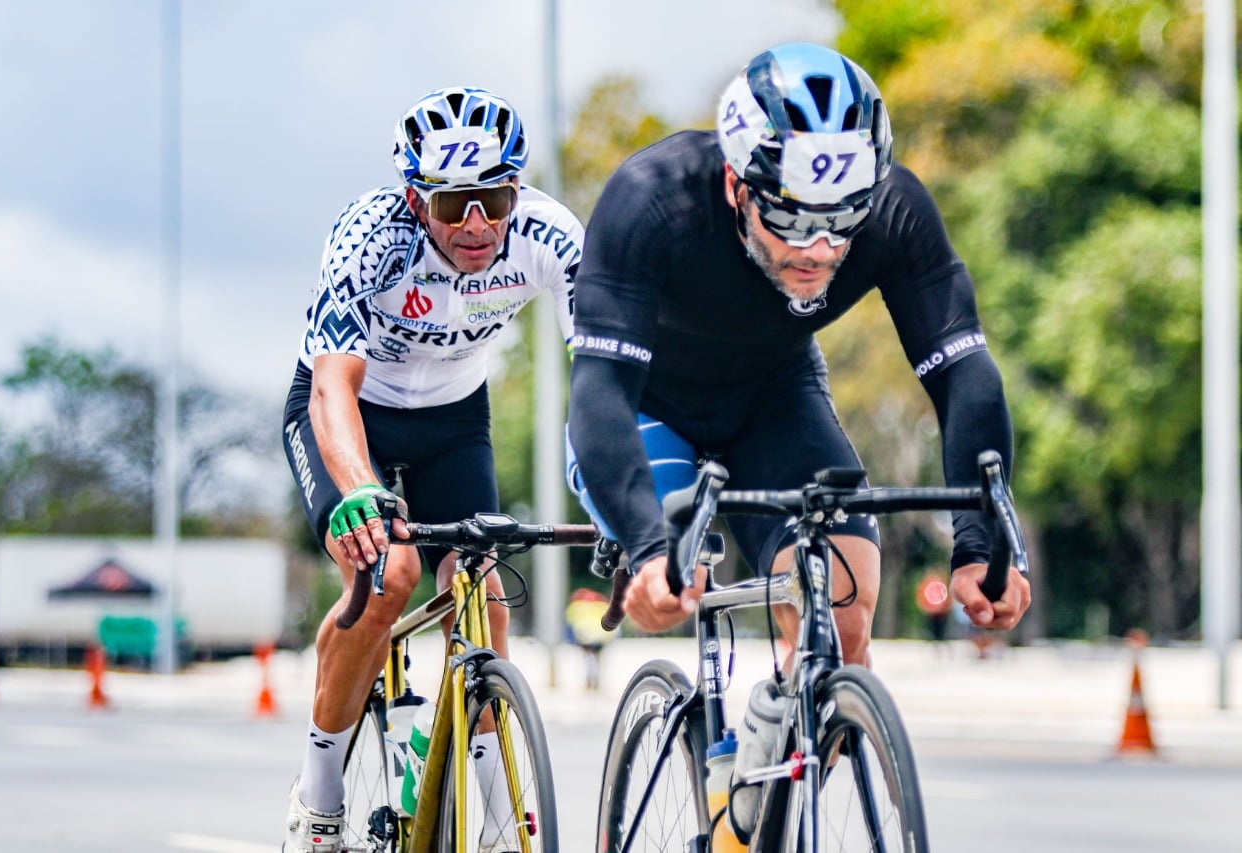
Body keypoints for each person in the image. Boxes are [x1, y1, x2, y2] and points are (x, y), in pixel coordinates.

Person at [565, 43, 1031, 672]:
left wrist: (979, 543)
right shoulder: (651, 199)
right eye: (789, 217)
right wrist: (648, 547)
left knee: (840, 626)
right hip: (648, 407)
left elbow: (963, 376)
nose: (817, 246)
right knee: (676, 579)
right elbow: (601, 391)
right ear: (736, 185)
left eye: (843, 218)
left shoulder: (896, 211)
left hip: (773, 402)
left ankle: (781, 751)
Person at [280, 86, 582, 853]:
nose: (478, 224)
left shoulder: (549, 234)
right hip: (351, 411)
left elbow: (606, 372)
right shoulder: (369, 236)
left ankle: (500, 821)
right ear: (417, 202)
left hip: (454, 417)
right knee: (390, 575)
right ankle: (318, 797)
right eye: (454, 205)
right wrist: (361, 491)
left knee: (479, 589)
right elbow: (331, 387)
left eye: (495, 197)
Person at [564, 587, 614, 690]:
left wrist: (571, 639)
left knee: (587, 659)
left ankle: (589, 682)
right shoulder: (603, 605)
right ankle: (596, 682)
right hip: (601, 638)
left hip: (585, 638)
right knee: (598, 659)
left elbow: (570, 622)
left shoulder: (575, 606)